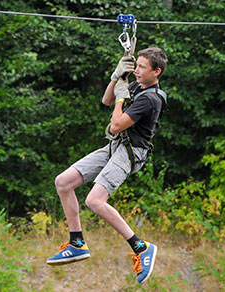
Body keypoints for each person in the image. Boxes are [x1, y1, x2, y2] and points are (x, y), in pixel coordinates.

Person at [46, 47, 168, 285]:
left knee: (94, 201)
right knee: (63, 182)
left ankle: (141, 248)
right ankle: (77, 243)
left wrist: (122, 98)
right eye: (136, 65)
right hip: (115, 147)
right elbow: (106, 100)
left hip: (130, 152)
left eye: (142, 67)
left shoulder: (151, 98)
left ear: (157, 71)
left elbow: (115, 125)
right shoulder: (136, 85)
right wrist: (116, 77)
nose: (136, 71)